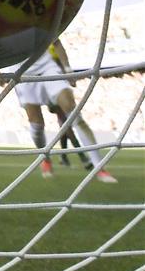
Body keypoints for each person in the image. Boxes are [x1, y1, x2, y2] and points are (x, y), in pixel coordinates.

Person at [13, 39, 117, 182]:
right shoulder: (3, 22)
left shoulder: (38, 17)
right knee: (36, 124)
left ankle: (99, 167)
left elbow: (56, 42)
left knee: (73, 112)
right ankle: (45, 158)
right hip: (21, 73)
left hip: (47, 68)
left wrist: (68, 70)